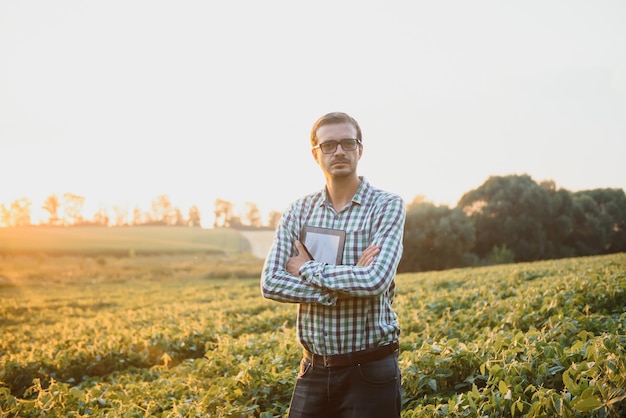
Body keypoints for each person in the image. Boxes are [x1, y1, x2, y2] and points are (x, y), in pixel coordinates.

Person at [261, 112, 406, 417]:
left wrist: (306, 269)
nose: (339, 151)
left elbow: (375, 281)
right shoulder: (298, 212)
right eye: (329, 145)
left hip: (370, 370)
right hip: (313, 370)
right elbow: (271, 282)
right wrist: (338, 288)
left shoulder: (387, 205)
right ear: (316, 155)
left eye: (347, 143)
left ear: (360, 150)